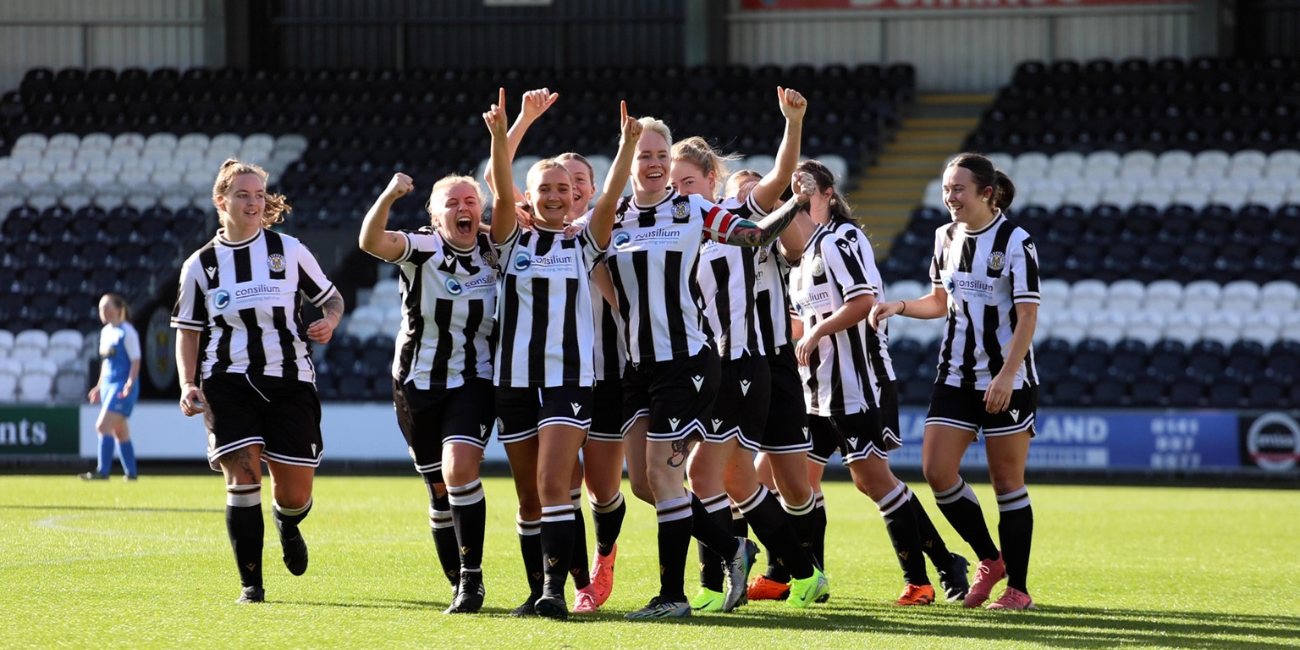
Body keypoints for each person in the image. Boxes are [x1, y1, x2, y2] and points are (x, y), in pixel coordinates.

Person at [607, 114, 810, 619]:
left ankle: (673, 596)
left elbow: (752, 234)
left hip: (688, 361)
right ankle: (731, 546)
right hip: (639, 365)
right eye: (644, 155)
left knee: (666, 473)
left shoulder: (693, 209)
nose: (654, 164)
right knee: (642, 484)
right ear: (627, 161)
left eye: (661, 155)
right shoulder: (610, 217)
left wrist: (794, 205)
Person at [667, 87, 827, 613]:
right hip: (705, 365)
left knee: (699, 476)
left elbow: (779, 181)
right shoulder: (676, 224)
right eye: (672, 184)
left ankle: (716, 584)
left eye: (687, 182)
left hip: (742, 363)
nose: (679, 191)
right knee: (733, 479)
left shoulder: (736, 210)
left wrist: (792, 122)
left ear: (711, 180)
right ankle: (803, 575)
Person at [483, 89, 640, 619]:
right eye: (543, 188)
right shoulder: (511, 241)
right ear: (530, 196)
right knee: (529, 494)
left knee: (555, 482)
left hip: (572, 379)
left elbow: (615, 192)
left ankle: (554, 592)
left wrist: (626, 146)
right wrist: (506, 132)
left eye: (561, 189)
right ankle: (537, 591)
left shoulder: (584, 241)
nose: (554, 195)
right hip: (514, 380)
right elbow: (500, 191)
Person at [791, 159, 972, 604]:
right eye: (791, 195)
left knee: (873, 481)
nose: (798, 201)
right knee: (801, 480)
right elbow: (799, 323)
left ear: (828, 194)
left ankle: (929, 575)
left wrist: (816, 331)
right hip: (816, 388)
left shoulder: (840, 238)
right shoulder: (800, 255)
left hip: (857, 380)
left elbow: (863, 301)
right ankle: (811, 577)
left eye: (806, 191)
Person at [869, 153, 1040, 610]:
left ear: (986, 192)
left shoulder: (1016, 241)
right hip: (955, 376)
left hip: (1008, 379)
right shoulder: (944, 237)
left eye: (958, 188)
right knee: (937, 473)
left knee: (1007, 483)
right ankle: (990, 559)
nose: (950, 197)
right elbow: (940, 302)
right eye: (946, 188)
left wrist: (1006, 375)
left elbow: (1027, 318)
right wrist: (899, 307)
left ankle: (1018, 590)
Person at [171, 159, 344, 604]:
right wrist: (188, 383)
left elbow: (332, 298)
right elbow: (187, 331)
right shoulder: (201, 266)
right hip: (226, 382)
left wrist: (329, 320)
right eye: (243, 194)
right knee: (243, 478)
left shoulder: (289, 250)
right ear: (221, 201)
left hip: (289, 380)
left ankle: (286, 522)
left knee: (294, 492)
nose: (253, 202)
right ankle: (252, 584)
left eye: (259, 194)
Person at [358, 167, 498, 614]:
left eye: (470, 201)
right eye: (452, 203)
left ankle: (472, 581)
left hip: (475, 378)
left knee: (459, 469)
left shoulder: (497, 249)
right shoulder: (423, 248)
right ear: (435, 218)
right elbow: (370, 241)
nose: (463, 208)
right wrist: (388, 194)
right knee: (438, 487)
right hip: (417, 383)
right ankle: (459, 578)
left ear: (481, 210)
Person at [81, 293, 141, 481]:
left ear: (118, 309)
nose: (103, 312)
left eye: (107, 307)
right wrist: (99, 386)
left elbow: (135, 360)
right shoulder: (106, 332)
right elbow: (106, 363)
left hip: (122, 385)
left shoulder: (127, 331)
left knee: (102, 426)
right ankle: (131, 474)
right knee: (119, 430)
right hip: (108, 384)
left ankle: (103, 471)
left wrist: (130, 382)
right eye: (100, 308)